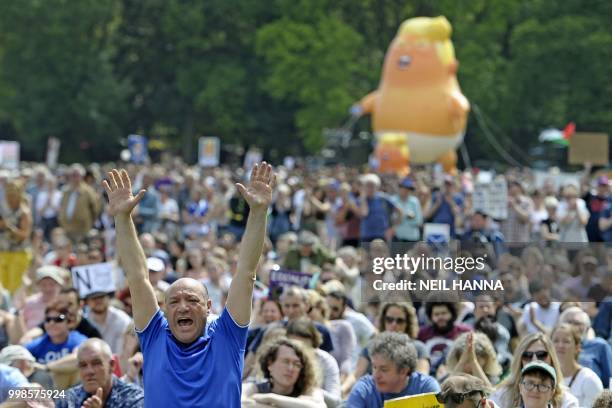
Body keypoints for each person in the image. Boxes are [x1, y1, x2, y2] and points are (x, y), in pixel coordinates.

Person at [103, 162, 274, 407]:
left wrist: (258, 212)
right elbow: (138, 277)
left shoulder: (227, 335)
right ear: (164, 309)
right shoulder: (154, 336)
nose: (182, 307)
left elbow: (246, 273)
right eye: (174, 301)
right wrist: (122, 218)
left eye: (192, 300)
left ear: (208, 307)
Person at [347, 332, 440, 407]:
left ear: (403, 371)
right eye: (374, 367)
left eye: (384, 369)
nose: (376, 375)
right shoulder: (364, 389)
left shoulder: (426, 388)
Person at [490, 333, 578, 408]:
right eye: (527, 355)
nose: (534, 360)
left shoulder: (567, 401)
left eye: (541, 355)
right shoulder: (503, 394)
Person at [57, 338, 144, 408]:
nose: (89, 371)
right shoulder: (69, 399)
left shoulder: (133, 398)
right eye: (83, 365)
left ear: (112, 365)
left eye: (96, 363)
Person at [241, 338, 326, 407]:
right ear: (270, 364)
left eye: (297, 364)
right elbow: (240, 403)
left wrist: (270, 398)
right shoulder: (253, 388)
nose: (290, 368)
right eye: (286, 362)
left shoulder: (310, 391)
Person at [286, 317, 341, 407]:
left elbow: (335, 401)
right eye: (294, 346)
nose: (299, 351)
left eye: (304, 345)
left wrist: (310, 390)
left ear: (313, 342)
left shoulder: (326, 361)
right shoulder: (280, 358)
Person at [557, 306, 612, 388]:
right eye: (568, 322)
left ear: (586, 328)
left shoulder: (600, 345)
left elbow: (610, 379)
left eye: (577, 323)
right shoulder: (556, 346)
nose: (572, 326)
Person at [551, 323, 603, 407]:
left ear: (577, 347)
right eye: (556, 341)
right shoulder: (546, 378)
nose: (560, 345)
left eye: (566, 341)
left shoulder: (589, 379)